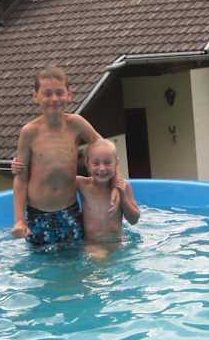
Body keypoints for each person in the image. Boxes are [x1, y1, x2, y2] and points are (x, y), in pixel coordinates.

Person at [12, 66, 107, 250]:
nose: (54, 99)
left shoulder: (76, 124)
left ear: (69, 95)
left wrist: (114, 183)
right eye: (47, 93)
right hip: (37, 214)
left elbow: (104, 148)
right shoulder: (29, 132)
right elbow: (21, 178)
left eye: (59, 93)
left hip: (69, 211)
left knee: (75, 258)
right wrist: (19, 220)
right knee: (41, 262)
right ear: (35, 96)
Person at [77, 138, 140, 260]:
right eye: (96, 163)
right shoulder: (82, 185)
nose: (102, 168)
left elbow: (134, 220)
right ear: (87, 164)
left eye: (107, 163)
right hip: (93, 245)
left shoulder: (124, 186)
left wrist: (123, 197)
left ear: (116, 163)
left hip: (118, 244)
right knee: (98, 260)